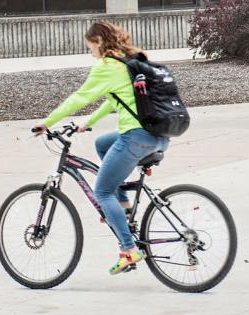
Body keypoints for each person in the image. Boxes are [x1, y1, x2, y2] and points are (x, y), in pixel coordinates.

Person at [32, 21, 168, 274]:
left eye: (90, 47)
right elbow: (115, 101)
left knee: (102, 191)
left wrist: (47, 122)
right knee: (102, 143)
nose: (90, 52)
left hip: (136, 137)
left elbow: (80, 97)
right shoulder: (129, 61)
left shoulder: (106, 65)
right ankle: (124, 206)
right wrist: (87, 123)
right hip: (159, 135)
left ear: (99, 42)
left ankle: (129, 250)